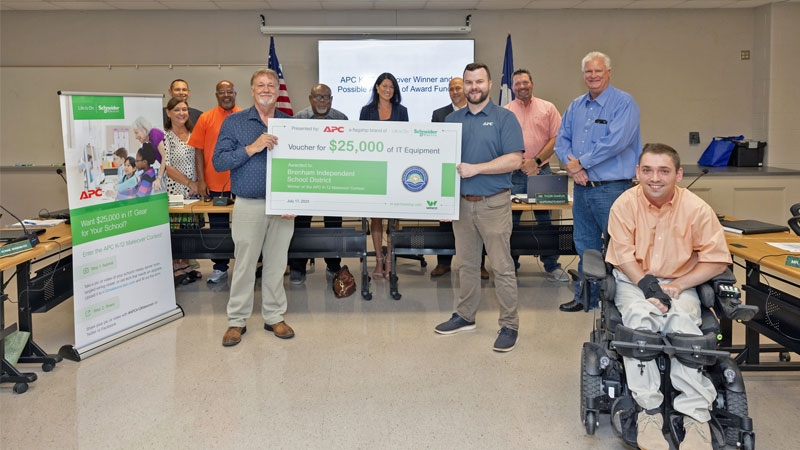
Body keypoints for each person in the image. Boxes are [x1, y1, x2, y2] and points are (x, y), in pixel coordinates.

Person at [605, 143, 729, 450]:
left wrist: (677, 286)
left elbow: (716, 260)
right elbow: (623, 256)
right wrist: (649, 287)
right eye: (647, 170)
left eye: (664, 171)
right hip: (634, 281)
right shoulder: (624, 204)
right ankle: (648, 412)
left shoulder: (697, 209)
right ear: (638, 172)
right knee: (640, 321)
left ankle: (695, 416)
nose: (655, 178)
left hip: (679, 281)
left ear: (678, 174)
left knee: (682, 323)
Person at [434, 62, 524, 352]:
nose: (474, 87)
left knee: (501, 267)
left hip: (494, 204)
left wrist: (477, 169)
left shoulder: (504, 118)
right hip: (462, 206)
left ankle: (509, 324)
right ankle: (465, 315)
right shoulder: (452, 120)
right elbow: (443, 164)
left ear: (489, 84)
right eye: (469, 82)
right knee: (466, 265)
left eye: (479, 82)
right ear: (464, 86)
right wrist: (445, 202)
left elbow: (515, 160)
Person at [213, 68, 296, 347]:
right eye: (260, 85)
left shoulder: (289, 124)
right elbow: (219, 162)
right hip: (248, 205)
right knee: (245, 265)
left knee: (277, 264)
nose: (266, 89)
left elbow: (300, 166)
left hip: (282, 208)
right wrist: (252, 147)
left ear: (278, 91)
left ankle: (274, 316)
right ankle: (237, 321)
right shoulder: (235, 122)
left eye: (271, 85)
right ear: (252, 91)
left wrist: (296, 200)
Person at [554, 51, 641, 313]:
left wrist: (581, 163)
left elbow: (616, 142)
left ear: (609, 73)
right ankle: (587, 298)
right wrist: (574, 168)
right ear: (583, 75)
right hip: (582, 189)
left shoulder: (624, 103)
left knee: (618, 246)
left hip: (612, 189)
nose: (593, 76)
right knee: (585, 245)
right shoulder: (576, 106)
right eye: (588, 71)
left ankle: (621, 301)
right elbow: (561, 141)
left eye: (598, 71)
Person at [505, 68, 569, 282]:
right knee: (511, 222)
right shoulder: (506, 111)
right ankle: (511, 267)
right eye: (517, 83)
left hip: (542, 171)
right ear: (512, 87)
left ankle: (552, 265)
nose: (522, 86)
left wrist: (536, 161)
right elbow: (502, 142)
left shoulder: (548, 108)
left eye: (525, 82)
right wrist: (522, 163)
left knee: (545, 221)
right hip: (515, 173)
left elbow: (557, 138)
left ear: (532, 84)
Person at [430, 77, 490, 281]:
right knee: (445, 220)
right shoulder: (439, 114)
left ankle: (479, 265)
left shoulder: (477, 111)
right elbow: (434, 142)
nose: (454, 91)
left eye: (457, 87)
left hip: (473, 173)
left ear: (464, 89)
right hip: (447, 174)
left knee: (476, 220)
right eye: (451, 89)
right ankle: (443, 262)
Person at [287, 83, 346, 284]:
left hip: (333, 182)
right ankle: (298, 267)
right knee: (301, 226)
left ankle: (333, 265)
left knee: (334, 226)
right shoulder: (298, 119)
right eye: (317, 97)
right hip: (305, 181)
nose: (321, 101)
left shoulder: (341, 119)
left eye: (326, 97)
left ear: (331, 99)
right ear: (310, 98)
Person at [187, 80, 242, 284]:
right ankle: (220, 267)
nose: (226, 95)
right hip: (215, 183)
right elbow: (198, 151)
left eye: (230, 91)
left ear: (235, 93)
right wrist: (201, 180)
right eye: (222, 92)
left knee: (246, 226)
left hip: (242, 182)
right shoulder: (205, 118)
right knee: (218, 228)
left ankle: (247, 266)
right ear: (216, 95)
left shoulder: (245, 116)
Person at [359, 73, 408, 279]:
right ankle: (379, 259)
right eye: (385, 86)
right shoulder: (366, 111)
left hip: (396, 169)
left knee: (393, 217)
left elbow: (407, 140)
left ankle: (390, 260)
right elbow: (361, 140)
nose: (388, 90)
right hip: (374, 170)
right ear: (377, 88)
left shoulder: (401, 111)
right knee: (376, 216)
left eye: (391, 87)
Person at [163, 97, 202, 285]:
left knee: (190, 230)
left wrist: (198, 184)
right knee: (176, 230)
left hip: (193, 192)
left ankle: (185, 264)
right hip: (175, 191)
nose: (181, 113)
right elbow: (166, 166)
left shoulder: (194, 134)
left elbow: (199, 159)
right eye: (177, 110)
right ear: (168, 113)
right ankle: (175, 266)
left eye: (184, 109)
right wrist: (189, 182)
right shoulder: (165, 136)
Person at [133, 116, 167, 191]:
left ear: (144, 129)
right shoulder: (150, 141)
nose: (135, 137)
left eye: (136, 132)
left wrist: (159, 178)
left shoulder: (154, 134)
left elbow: (165, 157)